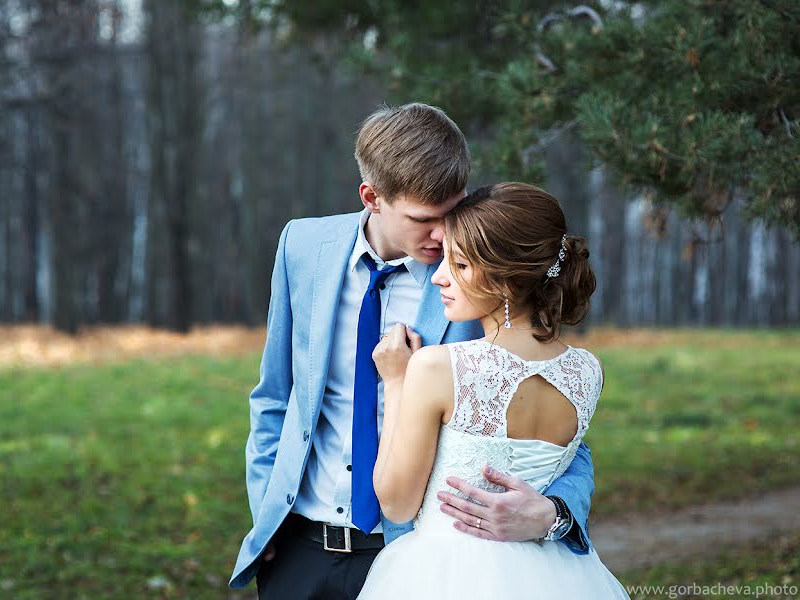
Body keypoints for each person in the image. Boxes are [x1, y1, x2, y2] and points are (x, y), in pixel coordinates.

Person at [229, 105, 597, 599]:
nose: (443, 235)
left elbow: (545, 429)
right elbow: (275, 396)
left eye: (453, 213)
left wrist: (555, 513)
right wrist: (266, 511)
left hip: (414, 558)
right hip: (298, 548)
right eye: (425, 220)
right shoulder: (303, 246)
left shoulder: (478, 286)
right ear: (372, 197)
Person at [357, 182, 629, 598]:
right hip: (556, 576)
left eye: (460, 266)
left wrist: (396, 382)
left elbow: (397, 505)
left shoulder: (438, 367)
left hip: (445, 575)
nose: (440, 278)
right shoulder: (588, 371)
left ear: (504, 280)